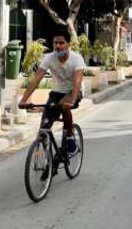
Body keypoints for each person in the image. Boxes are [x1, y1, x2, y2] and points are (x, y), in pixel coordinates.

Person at [19, 29, 86, 157]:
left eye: (61, 43)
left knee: (64, 105)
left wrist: (72, 100)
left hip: (72, 92)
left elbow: (77, 83)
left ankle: (70, 139)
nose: (58, 46)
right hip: (55, 94)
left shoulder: (77, 59)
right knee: (44, 127)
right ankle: (46, 161)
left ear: (68, 44)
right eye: (55, 43)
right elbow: (36, 80)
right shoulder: (49, 58)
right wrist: (24, 99)